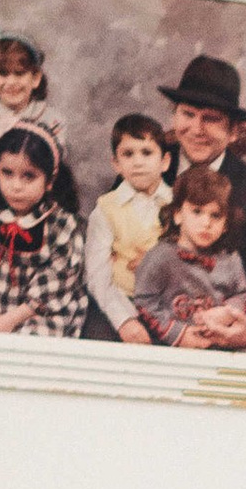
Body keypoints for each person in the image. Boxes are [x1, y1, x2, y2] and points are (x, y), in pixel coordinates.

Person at [158, 51, 246, 322]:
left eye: (210, 118)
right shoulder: (146, 164)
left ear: (234, 132)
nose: (196, 129)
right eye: (188, 114)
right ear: (175, 117)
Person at [0, 124, 90, 337]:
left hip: (40, 310)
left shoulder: (60, 223)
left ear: (49, 181)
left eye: (29, 176)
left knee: (28, 351)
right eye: (7, 173)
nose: (16, 186)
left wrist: (11, 320)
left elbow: (57, 280)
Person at [132, 164, 246, 351]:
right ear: (177, 215)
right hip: (178, 342)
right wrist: (178, 334)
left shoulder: (230, 258)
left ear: (226, 224)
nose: (206, 223)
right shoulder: (160, 256)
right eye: (197, 212)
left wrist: (225, 314)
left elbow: (241, 292)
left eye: (216, 216)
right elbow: (144, 300)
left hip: (222, 338)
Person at [0, 25, 64, 262]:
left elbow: (56, 165)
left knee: (44, 252)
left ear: (36, 78)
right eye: (3, 74)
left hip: (41, 200)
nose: (11, 82)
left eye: (19, 74)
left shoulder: (52, 117)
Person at [87, 108, 174, 337]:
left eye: (147, 153)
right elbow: (97, 274)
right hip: (121, 299)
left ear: (164, 162)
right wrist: (124, 320)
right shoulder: (106, 209)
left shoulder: (178, 204)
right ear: (116, 163)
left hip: (170, 304)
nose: (138, 162)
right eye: (128, 154)